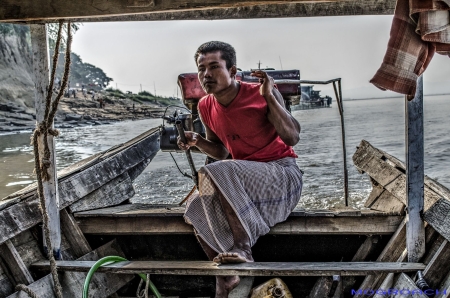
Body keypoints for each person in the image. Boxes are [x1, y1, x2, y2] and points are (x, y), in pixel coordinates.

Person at [177, 41, 303, 298]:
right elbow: (221, 151)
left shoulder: (261, 93)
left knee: (218, 171)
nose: (206, 75)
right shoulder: (205, 106)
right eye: (201, 69)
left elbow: (292, 137)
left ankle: (243, 247)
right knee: (194, 208)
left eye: (214, 67)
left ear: (233, 71)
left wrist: (269, 96)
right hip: (245, 184)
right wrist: (197, 141)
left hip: (281, 177)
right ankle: (226, 274)